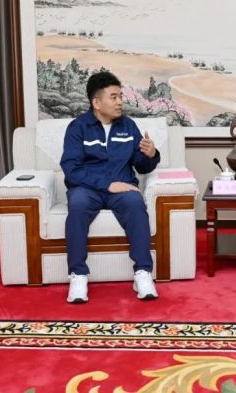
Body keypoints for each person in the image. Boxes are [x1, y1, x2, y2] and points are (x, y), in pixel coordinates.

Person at [60, 71, 160, 303]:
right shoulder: (77, 128)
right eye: (113, 97)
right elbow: (71, 169)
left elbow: (142, 166)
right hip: (87, 188)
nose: (120, 102)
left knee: (135, 202)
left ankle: (143, 273)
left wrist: (151, 154)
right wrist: (107, 185)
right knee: (77, 205)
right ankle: (78, 275)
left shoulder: (128, 126)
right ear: (96, 103)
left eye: (120, 96)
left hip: (122, 188)